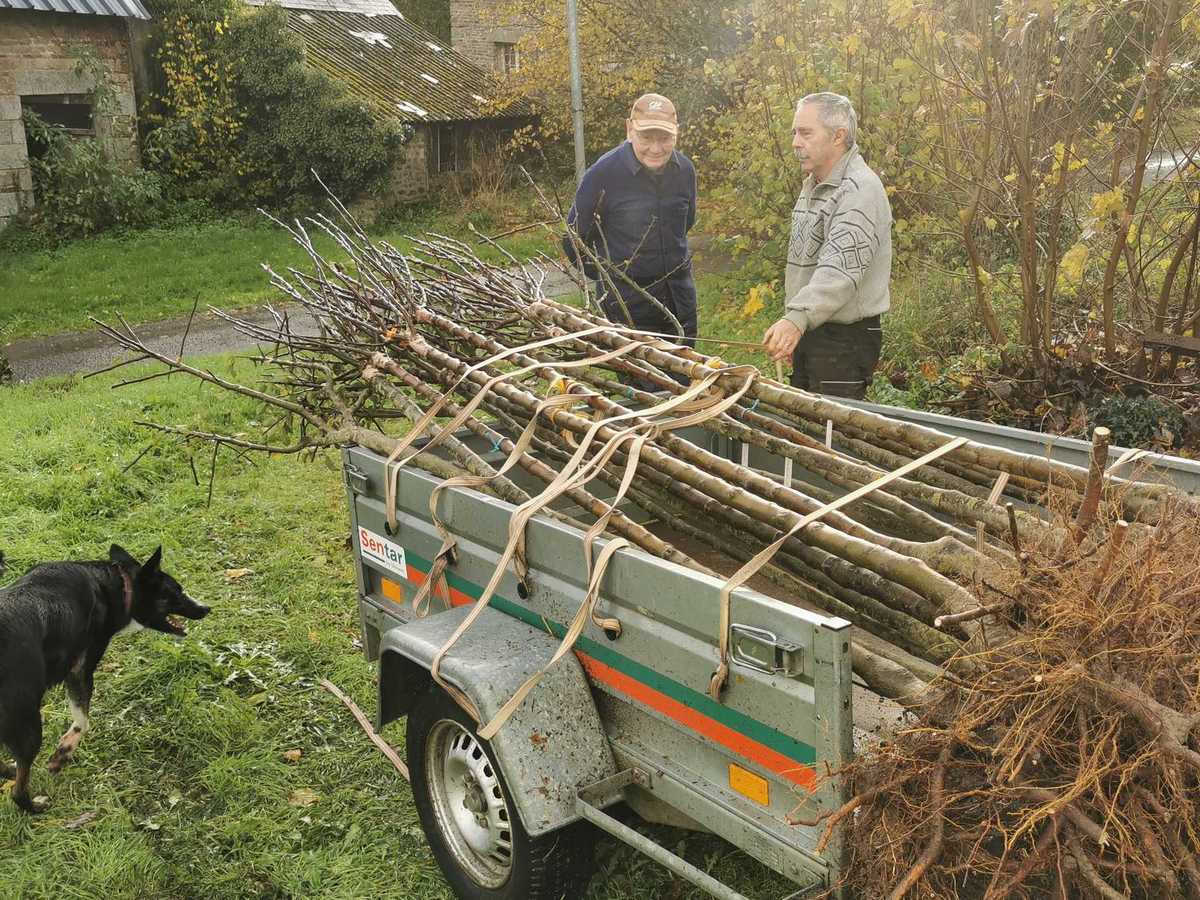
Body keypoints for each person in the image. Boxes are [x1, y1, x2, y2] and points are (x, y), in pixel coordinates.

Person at [762, 92, 892, 399]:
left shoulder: (859, 190)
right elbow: (806, 269)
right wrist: (798, 328)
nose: (795, 142)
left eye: (806, 133)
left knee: (833, 438)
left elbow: (838, 272)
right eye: (795, 132)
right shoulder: (815, 183)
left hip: (845, 340)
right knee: (807, 430)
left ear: (838, 136)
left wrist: (796, 320)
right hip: (816, 329)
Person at [562, 93, 698, 345]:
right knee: (643, 383)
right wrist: (609, 278)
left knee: (688, 380)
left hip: (681, 302)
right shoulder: (603, 174)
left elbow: (686, 222)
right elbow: (573, 239)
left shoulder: (685, 171)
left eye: (665, 138)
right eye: (646, 137)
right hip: (628, 308)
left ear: (676, 133)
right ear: (629, 129)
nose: (656, 149)